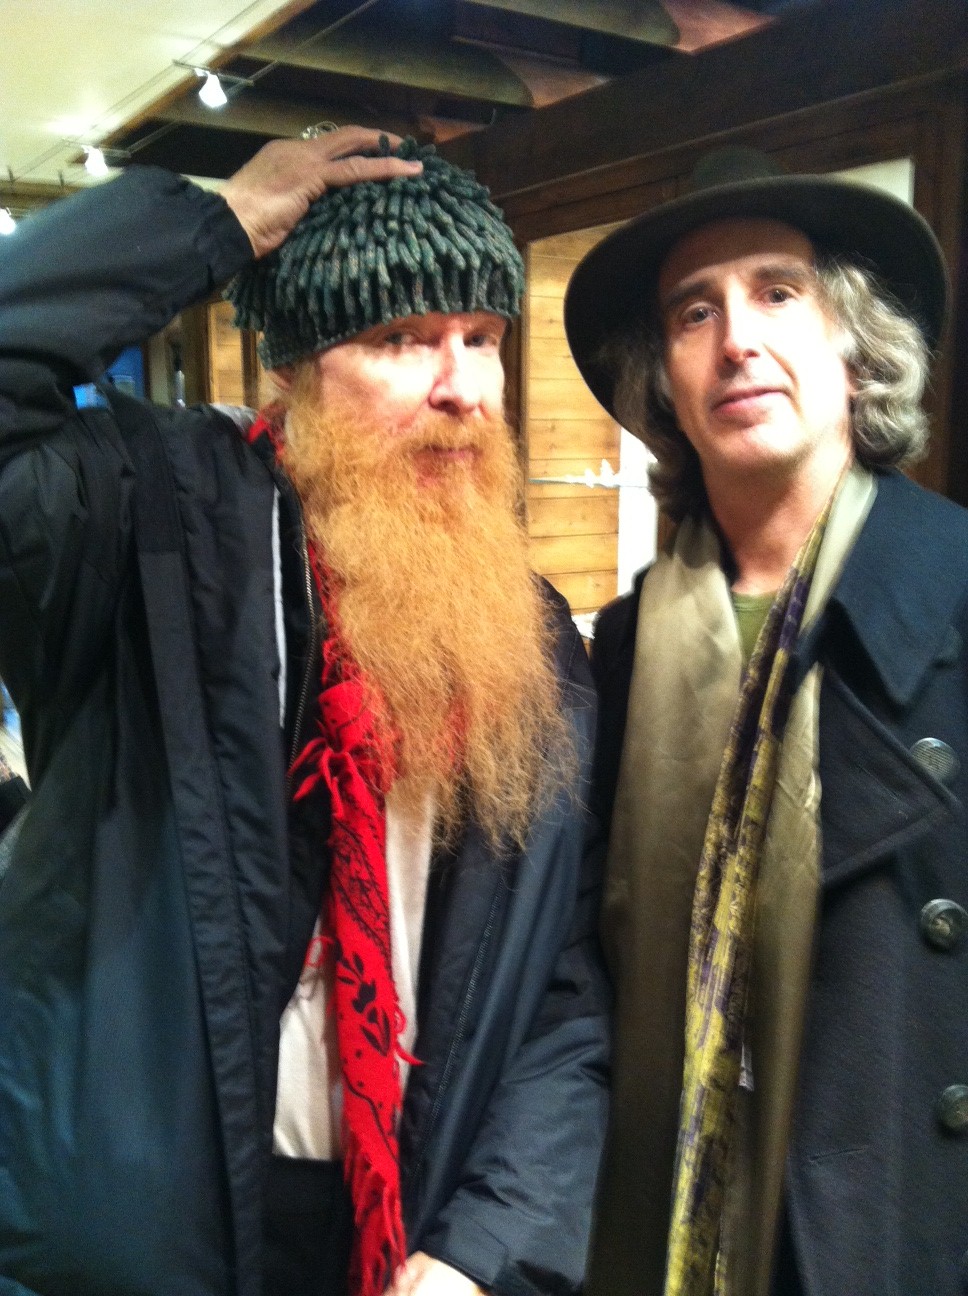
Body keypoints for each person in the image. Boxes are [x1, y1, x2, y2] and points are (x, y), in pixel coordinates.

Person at [0, 127, 610, 1296]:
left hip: (411, 1231)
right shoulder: (138, 526)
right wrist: (208, 227)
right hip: (138, 1241)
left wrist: (486, 1245)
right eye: (399, 338)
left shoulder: (526, 635)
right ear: (290, 366)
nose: (461, 389)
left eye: (481, 338)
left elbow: (557, 990)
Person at [563, 147, 968, 1296]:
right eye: (693, 312)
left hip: (889, 1233)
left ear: (854, 346)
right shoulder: (626, 645)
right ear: (664, 380)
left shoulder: (954, 595)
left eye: (776, 292)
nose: (735, 338)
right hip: (659, 1214)